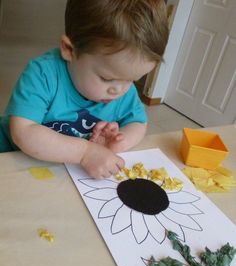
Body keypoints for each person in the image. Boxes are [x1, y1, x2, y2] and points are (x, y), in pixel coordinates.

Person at [0, 0, 169, 179]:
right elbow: (24, 132)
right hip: (13, 160)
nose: (119, 90)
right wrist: (85, 153)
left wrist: (116, 143)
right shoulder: (43, 74)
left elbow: (138, 123)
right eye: (107, 78)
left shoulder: (122, 88)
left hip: (65, 172)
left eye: (131, 80)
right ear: (69, 50)